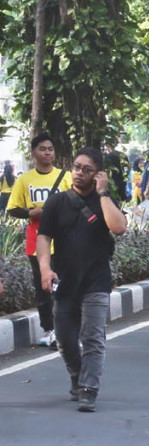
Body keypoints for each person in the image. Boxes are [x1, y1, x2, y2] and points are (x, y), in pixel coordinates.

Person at [36, 148, 128, 411]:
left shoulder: (104, 201)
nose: (79, 173)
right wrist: (45, 268)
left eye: (87, 170)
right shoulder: (57, 202)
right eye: (76, 167)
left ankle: (89, 388)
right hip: (64, 281)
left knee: (92, 337)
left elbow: (119, 227)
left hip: (96, 282)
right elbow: (44, 237)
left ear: (97, 174)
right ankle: (77, 376)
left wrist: (103, 193)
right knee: (64, 339)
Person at [7, 133, 69, 347]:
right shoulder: (24, 180)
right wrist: (31, 213)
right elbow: (13, 209)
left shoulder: (65, 177)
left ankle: (65, 328)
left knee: (64, 286)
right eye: (42, 149)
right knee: (43, 287)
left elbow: (77, 203)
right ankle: (49, 330)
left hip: (64, 242)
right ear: (33, 153)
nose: (47, 153)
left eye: (50, 149)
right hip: (37, 244)